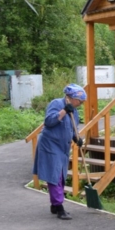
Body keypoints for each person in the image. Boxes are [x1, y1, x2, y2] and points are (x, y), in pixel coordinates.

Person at [33, 84, 86, 220]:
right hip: (50, 144)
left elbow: (72, 128)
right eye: (79, 101)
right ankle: (60, 207)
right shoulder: (56, 103)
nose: (80, 104)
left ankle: (54, 205)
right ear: (71, 98)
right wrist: (63, 111)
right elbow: (49, 122)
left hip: (63, 146)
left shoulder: (74, 111)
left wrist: (76, 138)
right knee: (55, 175)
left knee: (61, 175)